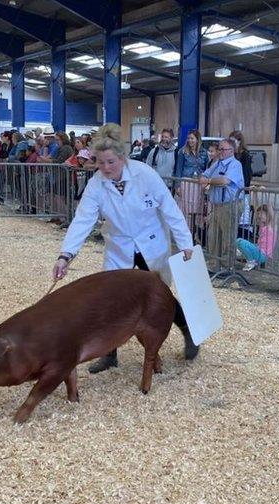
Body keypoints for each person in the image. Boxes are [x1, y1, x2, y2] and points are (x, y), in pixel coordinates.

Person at [53, 123, 198, 374]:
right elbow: (82, 221)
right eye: (100, 162)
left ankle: (188, 332)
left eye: (111, 162)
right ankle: (109, 354)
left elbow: (170, 209)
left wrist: (185, 243)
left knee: (160, 297)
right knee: (110, 301)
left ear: (122, 157)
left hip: (151, 244)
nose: (106, 168)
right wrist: (65, 256)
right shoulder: (96, 185)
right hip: (119, 247)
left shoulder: (145, 175)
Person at [199, 137, 244, 269]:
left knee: (227, 237)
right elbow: (204, 176)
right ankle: (214, 264)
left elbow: (225, 181)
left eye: (223, 149)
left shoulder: (235, 165)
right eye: (219, 149)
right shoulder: (217, 163)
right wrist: (206, 179)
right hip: (217, 205)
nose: (220, 152)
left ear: (231, 151)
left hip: (230, 205)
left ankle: (227, 266)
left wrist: (209, 181)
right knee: (213, 236)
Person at [237, 204, 277, 272]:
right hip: (261, 252)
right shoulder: (264, 227)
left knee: (239, 241)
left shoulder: (270, 227)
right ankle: (250, 260)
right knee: (241, 244)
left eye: (261, 214)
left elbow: (271, 213)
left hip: (262, 254)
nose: (259, 216)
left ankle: (251, 261)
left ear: (268, 215)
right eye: (258, 214)